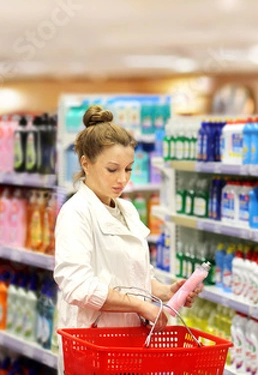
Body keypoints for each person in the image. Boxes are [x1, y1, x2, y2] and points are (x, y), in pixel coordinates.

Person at [53, 105, 203, 373]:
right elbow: (77, 286)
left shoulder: (127, 210)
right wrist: (140, 305)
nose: (122, 179)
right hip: (93, 346)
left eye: (129, 169)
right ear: (85, 163)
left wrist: (165, 291)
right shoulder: (76, 213)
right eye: (112, 169)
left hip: (130, 344)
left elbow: (134, 276)